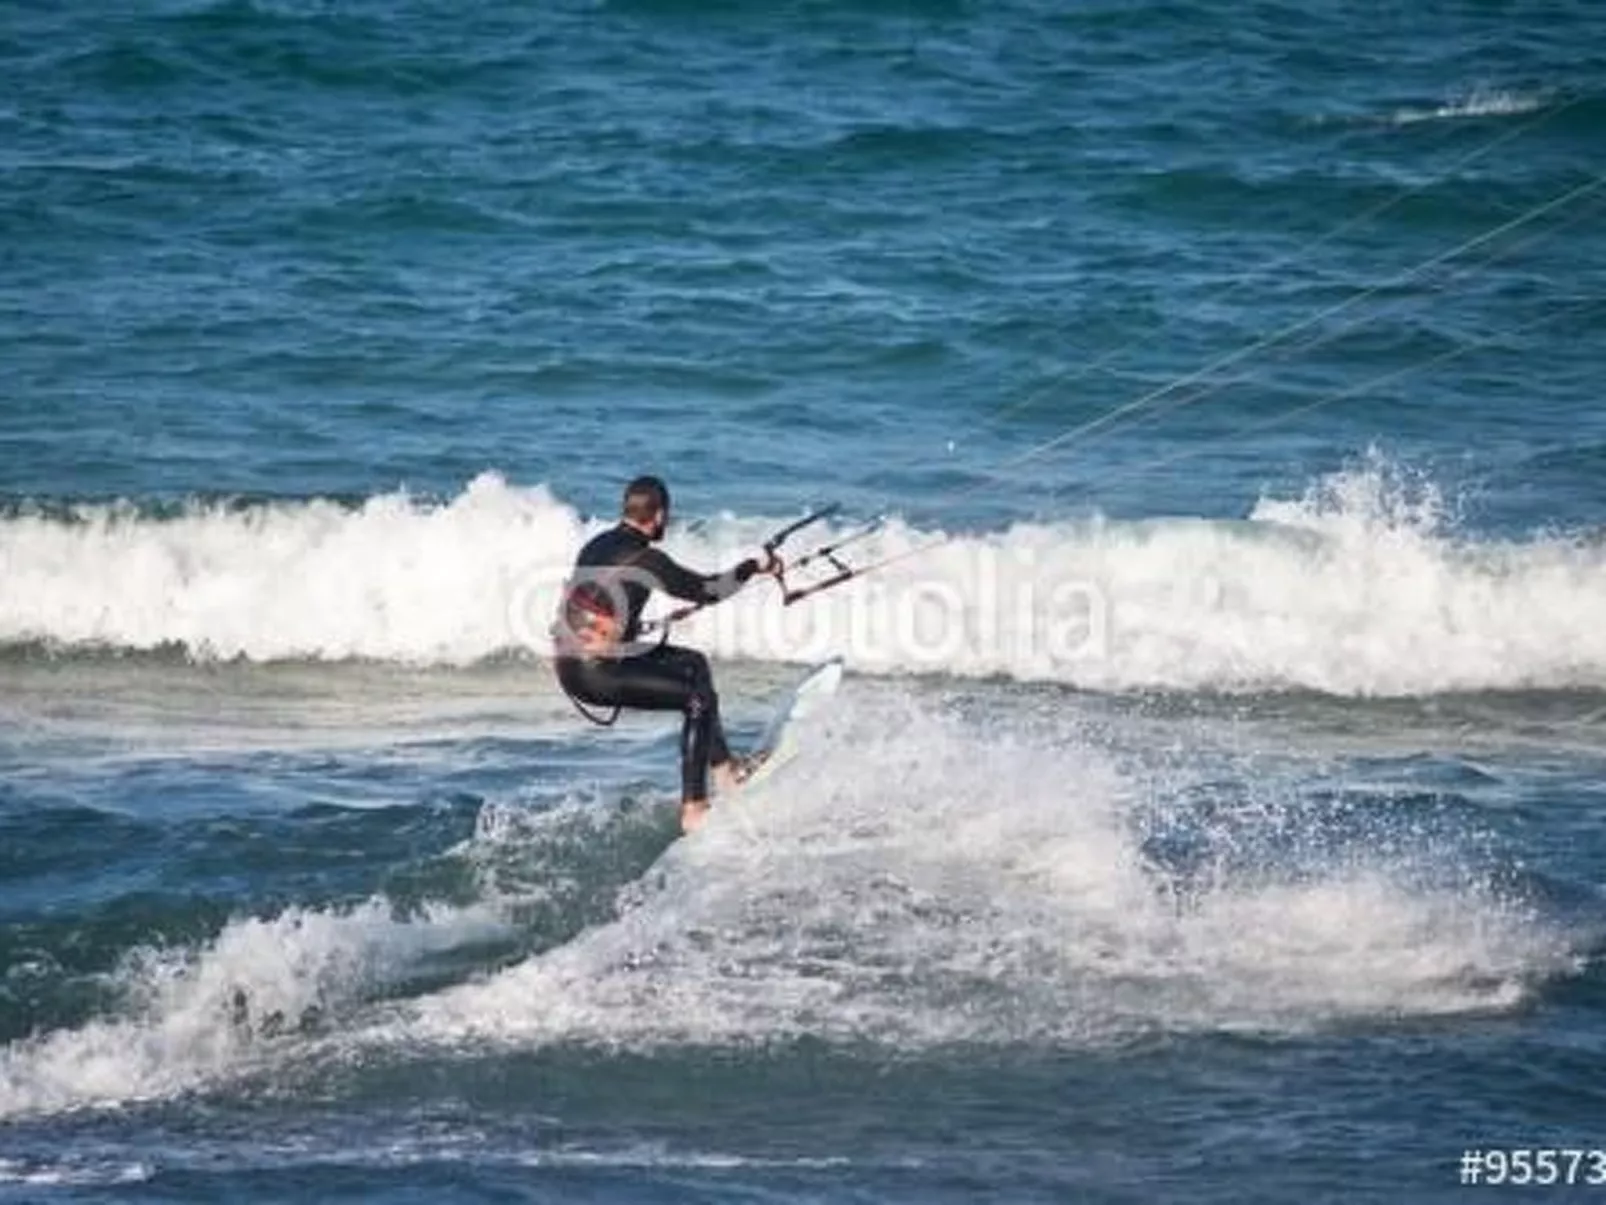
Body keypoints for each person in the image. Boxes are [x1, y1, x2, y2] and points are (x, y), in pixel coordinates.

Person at [552, 475, 780, 834]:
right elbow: (710, 590)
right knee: (696, 699)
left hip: (571, 663)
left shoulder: (596, 544)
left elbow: (597, 606)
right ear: (658, 516)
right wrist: (753, 567)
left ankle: (726, 771)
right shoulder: (648, 560)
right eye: (666, 518)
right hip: (595, 671)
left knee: (694, 664)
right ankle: (694, 808)